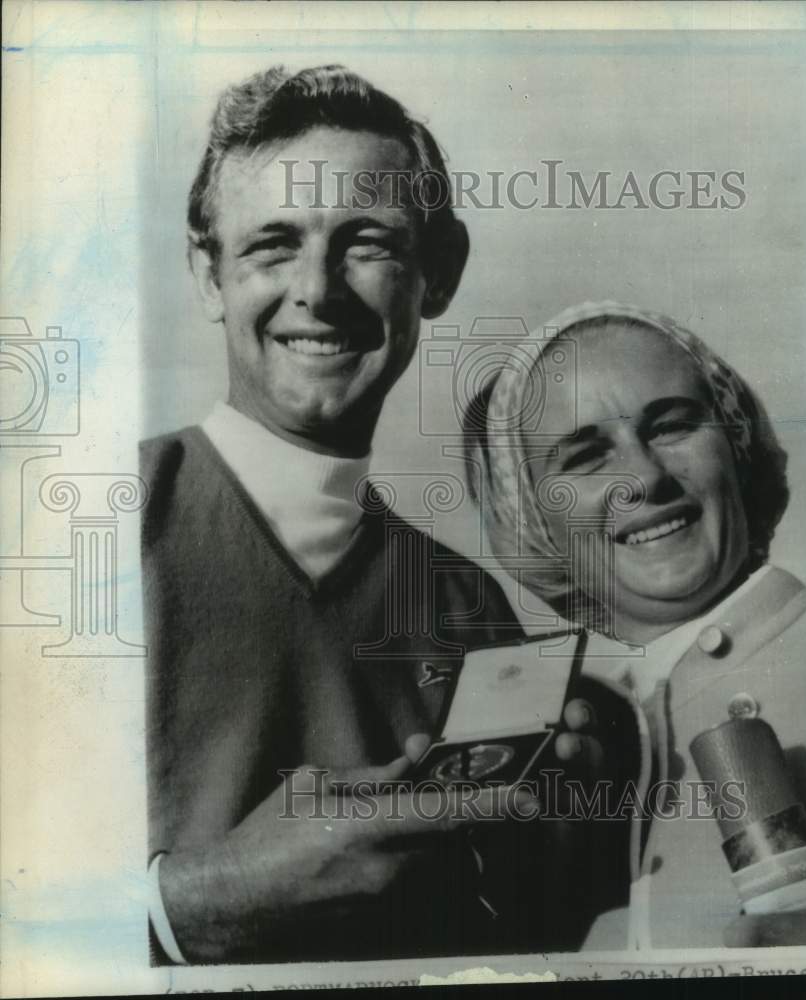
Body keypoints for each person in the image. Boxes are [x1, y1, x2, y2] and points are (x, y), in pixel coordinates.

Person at [141, 65, 604, 964]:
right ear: (208, 275)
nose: (316, 288)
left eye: (367, 242)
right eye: (272, 244)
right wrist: (177, 910)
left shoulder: (471, 609)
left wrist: (573, 823)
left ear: (438, 272)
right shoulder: (79, 528)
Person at [465, 301, 806, 949]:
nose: (642, 477)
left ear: (737, 443)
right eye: (583, 457)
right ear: (530, 519)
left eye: (672, 426)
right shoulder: (584, 743)